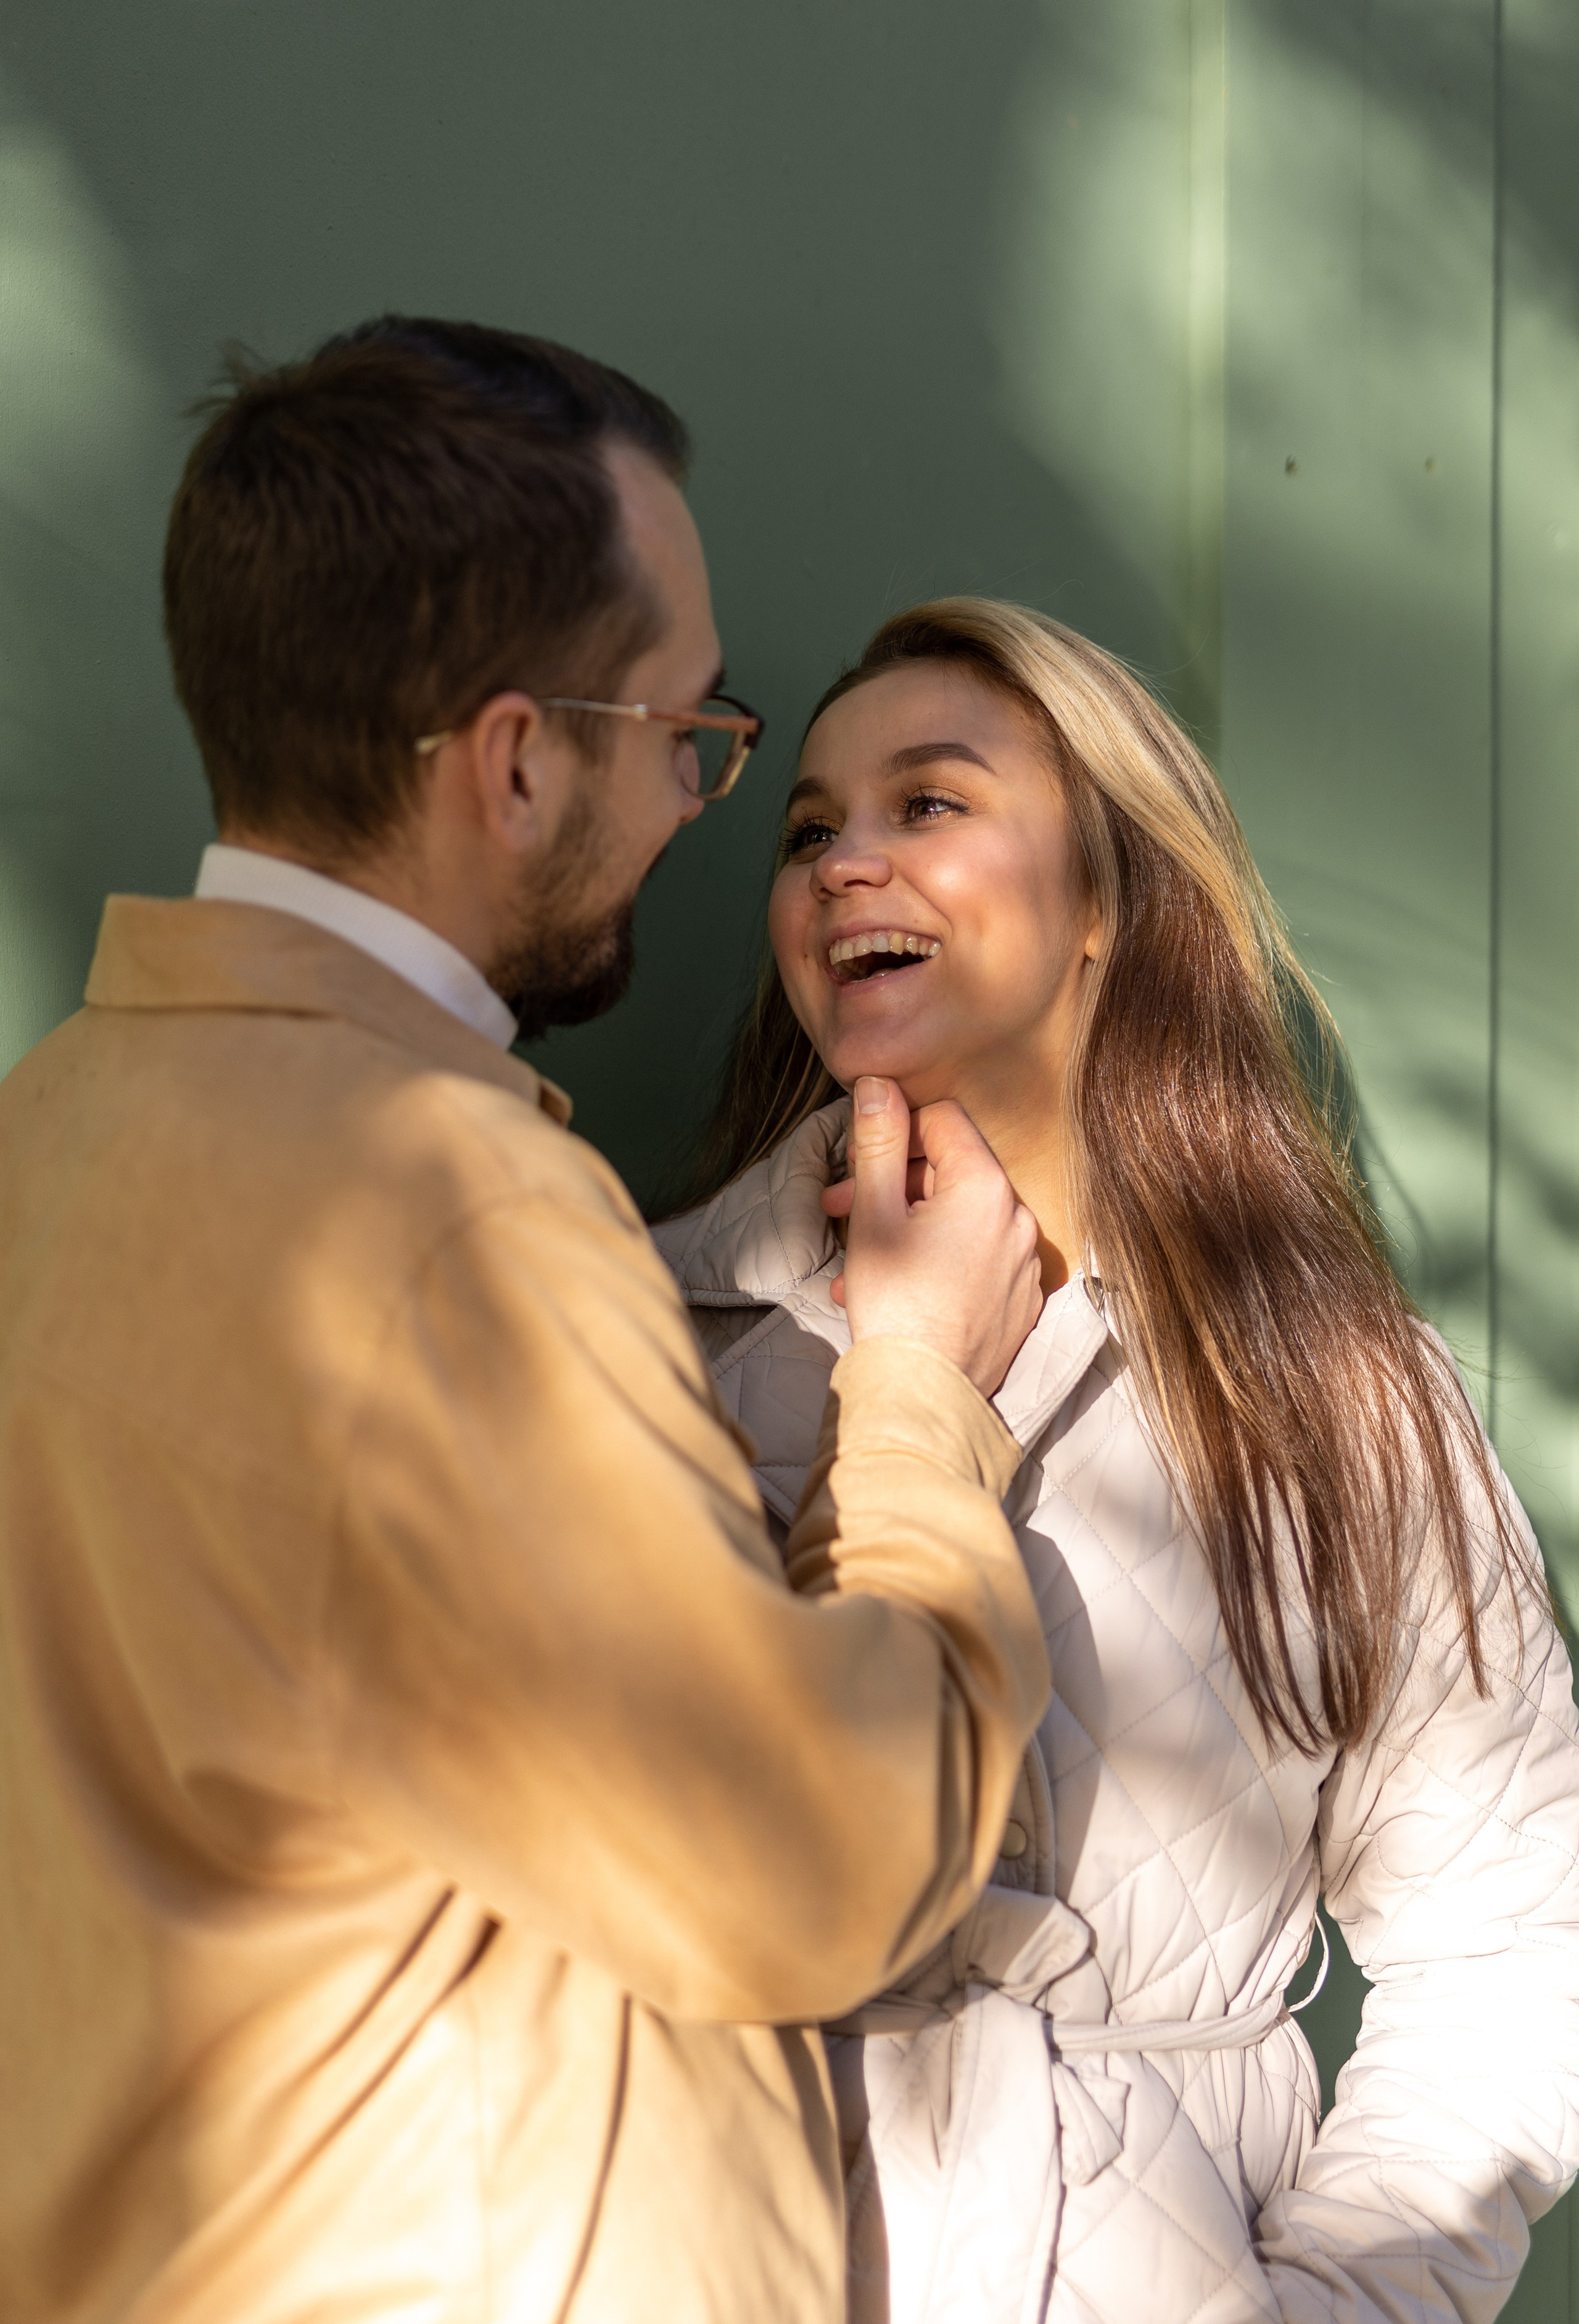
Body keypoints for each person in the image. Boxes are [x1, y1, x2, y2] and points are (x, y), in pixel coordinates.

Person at [0, 328, 1057, 2324]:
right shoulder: (447, 1214)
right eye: (690, 739)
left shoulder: (45, 1138)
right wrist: (919, 1397)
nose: (707, 810)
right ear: (514, 760)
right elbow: (804, 1867)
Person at [654, 595, 1579, 2324]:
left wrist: (1335, 2302)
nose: (844, 863)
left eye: (926, 804)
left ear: (1105, 906)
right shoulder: (653, 1341)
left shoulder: (1349, 1405)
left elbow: (1512, 1946)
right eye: (807, 828)